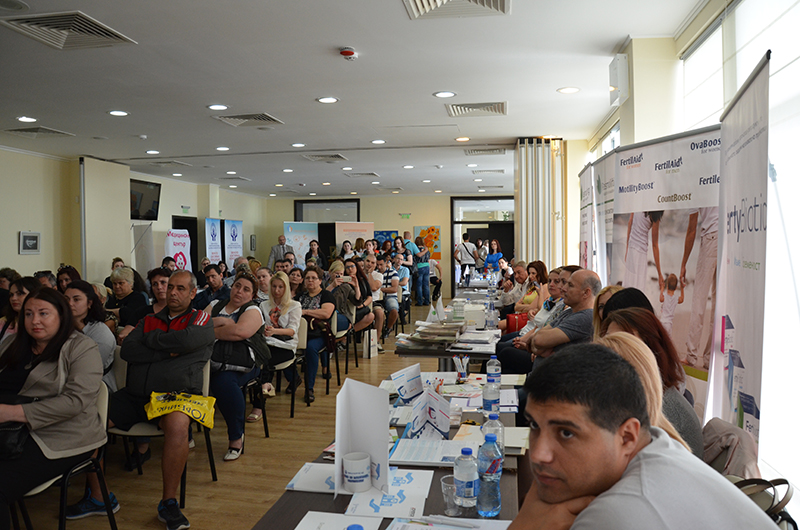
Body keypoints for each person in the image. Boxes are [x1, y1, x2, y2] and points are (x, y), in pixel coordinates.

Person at [507, 343, 775, 530]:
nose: (539, 454)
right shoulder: (658, 443)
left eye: (566, 433)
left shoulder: (615, 515)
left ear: (627, 437)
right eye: (534, 425)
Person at [82, 270, 214, 529]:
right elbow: (129, 350)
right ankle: (98, 497)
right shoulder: (149, 319)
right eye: (169, 287)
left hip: (176, 396)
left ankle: (168, 502)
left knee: (178, 425)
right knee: (88, 422)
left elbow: (187, 340)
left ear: (192, 293)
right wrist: (166, 350)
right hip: (135, 395)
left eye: (179, 288)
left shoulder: (201, 319)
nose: (172, 292)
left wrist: (149, 342)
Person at [0, 288, 111, 528]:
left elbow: (76, 401)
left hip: (61, 434)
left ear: (61, 315)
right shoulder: (11, 344)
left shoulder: (81, 347)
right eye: (28, 314)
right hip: (9, 429)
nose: (34, 321)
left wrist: (10, 412)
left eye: (43, 313)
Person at [599, 308, 703, 457]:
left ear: (650, 349)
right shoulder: (636, 396)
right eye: (610, 340)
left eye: (626, 342)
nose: (612, 349)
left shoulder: (662, 409)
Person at [204, 272, 264, 461]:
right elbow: (195, 325)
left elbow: (240, 332)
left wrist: (209, 330)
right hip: (208, 361)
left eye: (246, 289)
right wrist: (223, 322)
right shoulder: (216, 304)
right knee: (184, 378)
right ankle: (185, 435)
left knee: (223, 383)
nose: (239, 291)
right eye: (237, 286)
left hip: (242, 363)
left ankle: (236, 437)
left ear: (252, 295)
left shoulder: (253, 310)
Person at [530, 269, 599, 366]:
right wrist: (540, 349)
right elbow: (535, 338)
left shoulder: (585, 317)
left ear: (586, 293)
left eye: (570, 285)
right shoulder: (569, 312)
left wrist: (538, 346)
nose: (563, 288)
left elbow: (538, 340)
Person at [256, 272, 302, 409]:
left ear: (286, 288)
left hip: (286, 346)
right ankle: (263, 389)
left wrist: (274, 331)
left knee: (265, 360)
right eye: (274, 286)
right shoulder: (264, 305)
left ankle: (259, 403)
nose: (277, 290)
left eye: (280, 287)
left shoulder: (294, 305)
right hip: (268, 343)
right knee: (258, 356)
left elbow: (292, 331)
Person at [680, 207, 718, 369]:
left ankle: (691, 355)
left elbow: (691, 230)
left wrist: (683, 264)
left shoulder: (697, 193)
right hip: (728, 236)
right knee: (718, 303)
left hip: (710, 238)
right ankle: (710, 359)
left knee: (699, 300)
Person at [65, 280, 118, 392]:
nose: (70, 303)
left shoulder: (101, 334)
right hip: (65, 380)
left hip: (95, 388)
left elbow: (89, 370)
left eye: (76, 299)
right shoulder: (63, 327)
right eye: (66, 299)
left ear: (89, 303)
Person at [295, 266, 336, 404]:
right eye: (307, 278)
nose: (310, 280)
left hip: (318, 333)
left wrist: (305, 311)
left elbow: (326, 313)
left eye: (314, 278)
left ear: (320, 280)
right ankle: (293, 379)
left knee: (310, 348)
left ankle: (309, 388)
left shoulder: (326, 295)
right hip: (299, 332)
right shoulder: (300, 296)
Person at [117, 267, 172, 343]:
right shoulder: (142, 312)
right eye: (155, 284)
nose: (159, 287)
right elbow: (123, 335)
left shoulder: (180, 312)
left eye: (163, 282)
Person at [623, 210, 664, 292]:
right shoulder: (655, 213)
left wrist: (627, 248)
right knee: (638, 288)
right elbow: (655, 245)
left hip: (632, 248)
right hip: (641, 253)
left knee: (628, 284)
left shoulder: (638, 204)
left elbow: (630, 223)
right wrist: (659, 274)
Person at [0, 277, 40, 346]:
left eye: (20, 294)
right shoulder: (3, 322)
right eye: (11, 295)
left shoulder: (41, 322)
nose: (13, 298)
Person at [343, 259, 375, 333]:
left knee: (370, 315)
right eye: (347, 267)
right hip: (347, 309)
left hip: (360, 306)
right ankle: (347, 333)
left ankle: (350, 332)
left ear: (356, 267)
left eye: (352, 266)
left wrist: (362, 305)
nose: (350, 269)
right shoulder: (343, 282)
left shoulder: (362, 280)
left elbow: (369, 296)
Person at [362, 254, 385, 352]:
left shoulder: (379, 275)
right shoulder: (358, 273)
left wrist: (369, 274)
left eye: (372, 263)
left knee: (379, 313)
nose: (369, 264)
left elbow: (374, 287)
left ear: (375, 265)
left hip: (374, 301)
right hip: (360, 301)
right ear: (364, 261)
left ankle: (376, 341)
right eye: (368, 261)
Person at [376, 255, 400, 337]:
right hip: (377, 298)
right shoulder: (375, 273)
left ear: (386, 263)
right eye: (377, 265)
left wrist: (380, 289)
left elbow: (394, 289)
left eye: (381, 264)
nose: (379, 267)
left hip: (390, 296)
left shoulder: (393, 273)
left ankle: (388, 328)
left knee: (394, 310)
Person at [659, 273, 684, 338]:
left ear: (667, 287)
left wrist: (662, 288)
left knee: (661, 338)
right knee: (667, 340)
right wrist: (682, 288)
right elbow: (682, 299)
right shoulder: (676, 298)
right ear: (676, 288)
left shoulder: (665, 296)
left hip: (662, 322)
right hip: (669, 324)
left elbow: (660, 299)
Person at [413, 236, 431, 306]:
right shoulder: (427, 250)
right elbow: (428, 258)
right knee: (426, 285)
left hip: (419, 267)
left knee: (419, 285)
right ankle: (427, 301)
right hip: (427, 267)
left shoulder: (416, 249)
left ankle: (420, 301)